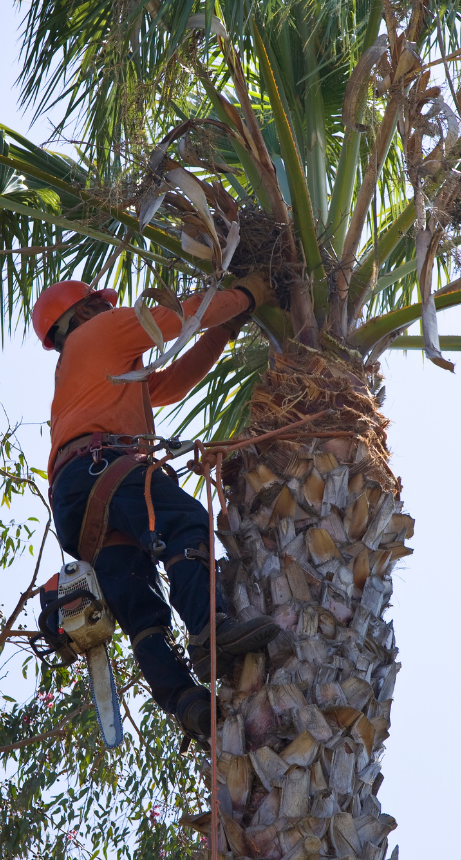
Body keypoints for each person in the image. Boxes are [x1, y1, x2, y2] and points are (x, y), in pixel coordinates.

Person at [34, 275, 280, 741]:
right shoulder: (100, 333)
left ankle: (184, 701)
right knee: (185, 522)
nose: (111, 309)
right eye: (101, 305)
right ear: (85, 312)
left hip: (76, 500)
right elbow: (178, 317)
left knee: (141, 609)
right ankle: (210, 628)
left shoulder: (87, 367)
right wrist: (250, 293)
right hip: (100, 466)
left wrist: (227, 330)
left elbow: (172, 384)